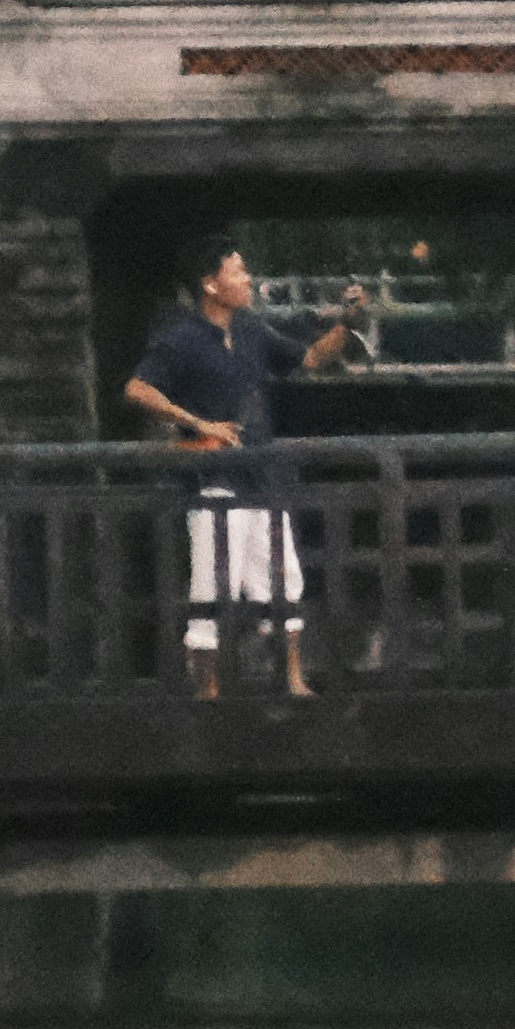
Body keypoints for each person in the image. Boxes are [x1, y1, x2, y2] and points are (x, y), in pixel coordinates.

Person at [122, 237, 370, 696]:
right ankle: (208, 691)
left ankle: (293, 681)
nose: (248, 279)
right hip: (214, 478)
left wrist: (346, 324)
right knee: (213, 587)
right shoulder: (182, 337)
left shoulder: (252, 331)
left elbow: (310, 358)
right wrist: (198, 423)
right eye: (237, 271)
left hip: (262, 475)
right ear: (211, 284)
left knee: (282, 580)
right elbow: (138, 389)